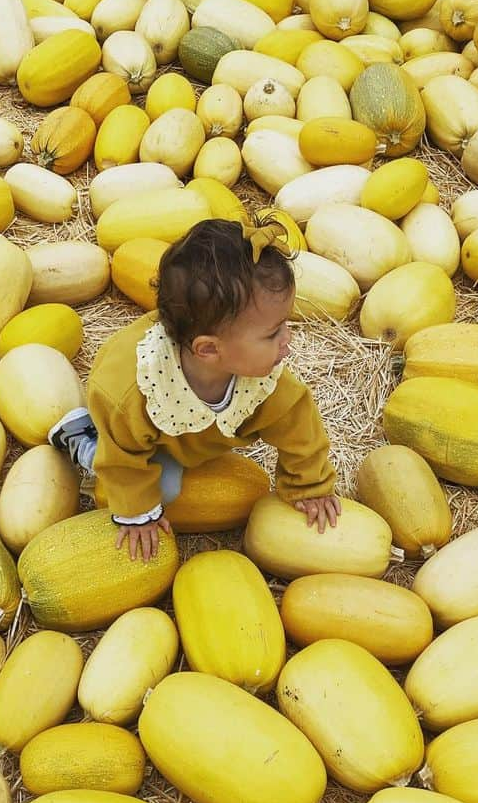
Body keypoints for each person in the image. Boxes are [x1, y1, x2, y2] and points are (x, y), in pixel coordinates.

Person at [48, 217, 342, 561]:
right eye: (273, 332)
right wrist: (136, 513)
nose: (287, 339)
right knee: (163, 487)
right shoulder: (131, 394)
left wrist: (309, 486)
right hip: (125, 434)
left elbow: (300, 430)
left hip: (188, 434)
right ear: (209, 349)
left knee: (175, 475)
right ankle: (82, 439)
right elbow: (125, 460)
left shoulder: (266, 383)